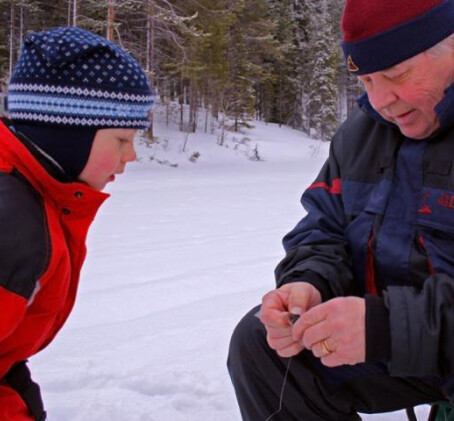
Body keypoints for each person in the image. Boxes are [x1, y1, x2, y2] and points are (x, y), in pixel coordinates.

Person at [228, 0, 454, 419]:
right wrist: (308, 283)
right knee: (263, 346)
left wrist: (388, 327)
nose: (381, 100)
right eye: (366, 80)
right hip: (410, 345)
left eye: (395, 74)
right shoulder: (362, 134)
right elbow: (323, 227)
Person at [0, 26, 153, 420]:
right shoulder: (13, 225)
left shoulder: (32, 194)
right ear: (67, 134)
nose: (131, 156)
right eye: (121, 140)